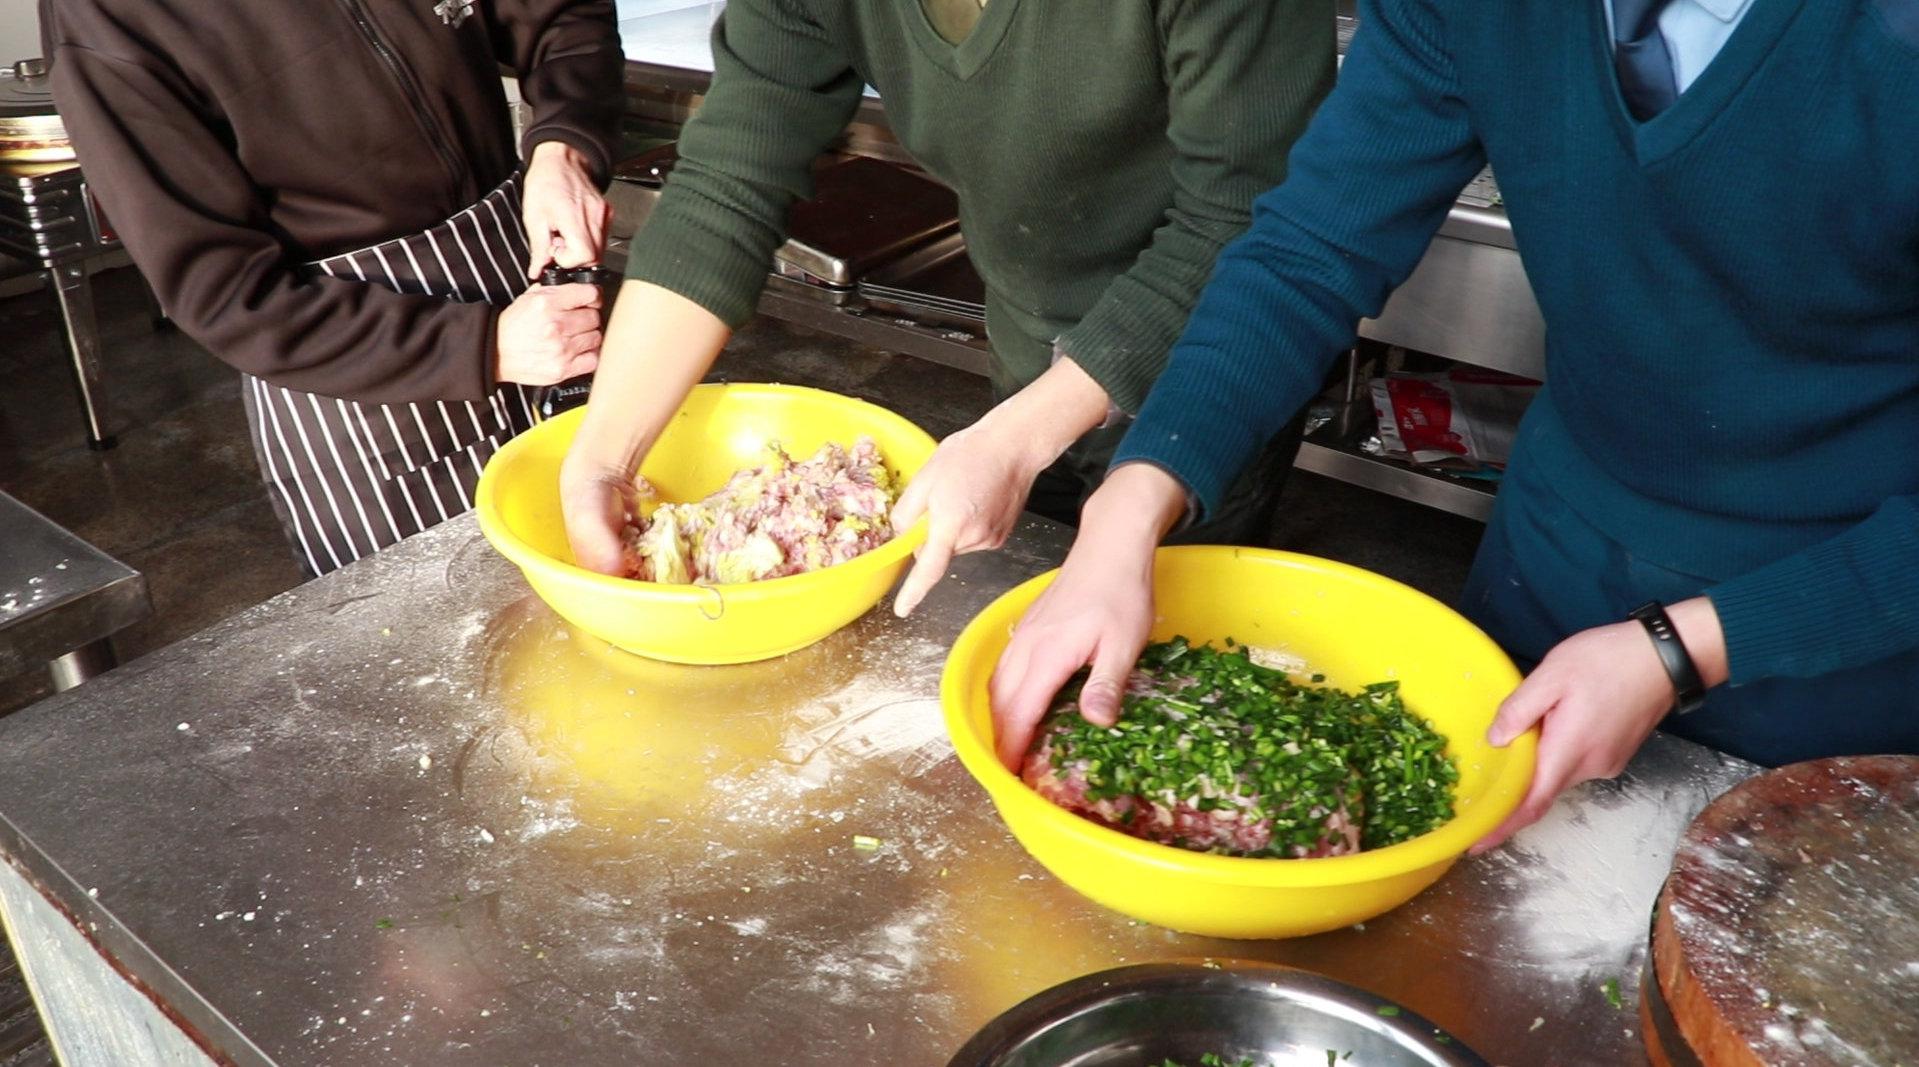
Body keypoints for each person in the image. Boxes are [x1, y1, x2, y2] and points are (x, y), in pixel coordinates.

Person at [990, 0, 1919, 851]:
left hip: (1844, 620)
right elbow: (1312, 246)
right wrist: (1131, 503)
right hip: (1555, 548)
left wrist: (1684, 648)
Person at [557, 0, 1336, 612]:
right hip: (1028, 349)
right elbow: (728, 178)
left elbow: (1244, 219)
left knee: (1167, 640)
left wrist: (1019, 438)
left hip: (1206, 368)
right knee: (1033, 590)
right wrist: (604, 460)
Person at [41, 0, 624, 577]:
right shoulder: (103, 16)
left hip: (537, 282)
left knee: (632, 562)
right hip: (358, 370)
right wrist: (479, 346)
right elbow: (224, 294)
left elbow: (563, 15)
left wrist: (563, 149)